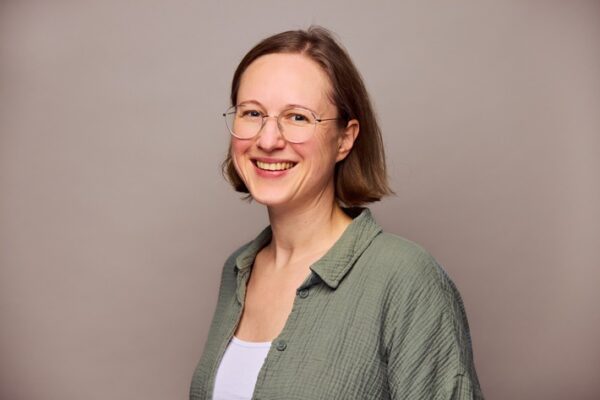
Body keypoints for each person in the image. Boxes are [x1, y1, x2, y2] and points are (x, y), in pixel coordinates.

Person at [190, 26, 483, 400]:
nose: (268, 139)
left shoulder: (405, 278)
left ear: (345, 138)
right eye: (252, 113)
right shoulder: (237, 271)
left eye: (298, 117)